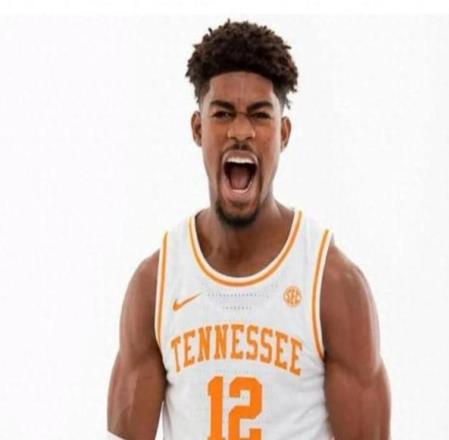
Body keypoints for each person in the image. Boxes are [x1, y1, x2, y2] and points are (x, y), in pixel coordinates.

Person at [107, 19, 391, 440]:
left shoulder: (332, 285)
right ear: (198, 128)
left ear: (283, 133)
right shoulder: (156, 285)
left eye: (259, 115)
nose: (240, 131)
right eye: (223, 113)